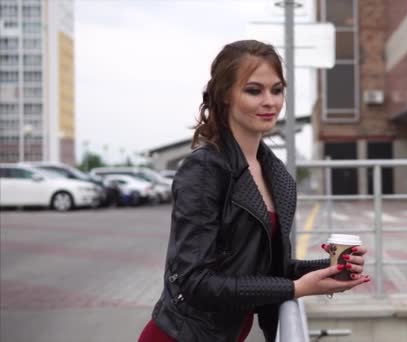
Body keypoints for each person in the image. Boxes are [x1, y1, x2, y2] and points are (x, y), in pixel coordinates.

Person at [138, 40, 370, 342]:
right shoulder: (205, 170)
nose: (270, 101)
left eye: (277, 90)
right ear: (225, 96)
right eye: (253, 90)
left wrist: (331, 267)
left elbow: (265, 269)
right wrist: (297, 288)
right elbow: (195, 282)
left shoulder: (273, 172)